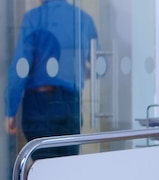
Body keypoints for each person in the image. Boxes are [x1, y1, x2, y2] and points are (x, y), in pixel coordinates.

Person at [4, 0, 98, 159]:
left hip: (39, 104)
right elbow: (100, 65)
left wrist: (10, 111)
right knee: (66, 168)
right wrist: (79, 70)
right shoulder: (83, 19)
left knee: (42, 170)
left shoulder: (34, 18)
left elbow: (21, 68)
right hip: (71, 104)